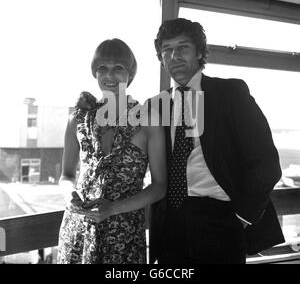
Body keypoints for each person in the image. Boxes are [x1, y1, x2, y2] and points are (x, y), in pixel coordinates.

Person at [149, 18, 284, 264]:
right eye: (167, 49)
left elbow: (266, 164)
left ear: (200, 52)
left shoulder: (230, 94)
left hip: (221, 220)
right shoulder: (155, 105)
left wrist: (241, 218)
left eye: (183, 47)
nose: (174, 56)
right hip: (170, 224)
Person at [57, 38, 167, 264]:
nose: (109, 75)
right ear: (94, 73)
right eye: (102, 68)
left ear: (130, 73)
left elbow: (159, 186)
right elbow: (66, 176)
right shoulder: (77, 118)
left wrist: (113, 209)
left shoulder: (149, 119)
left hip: (124, 232)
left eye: (118, 68)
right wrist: (69, 196)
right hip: (78, 230)